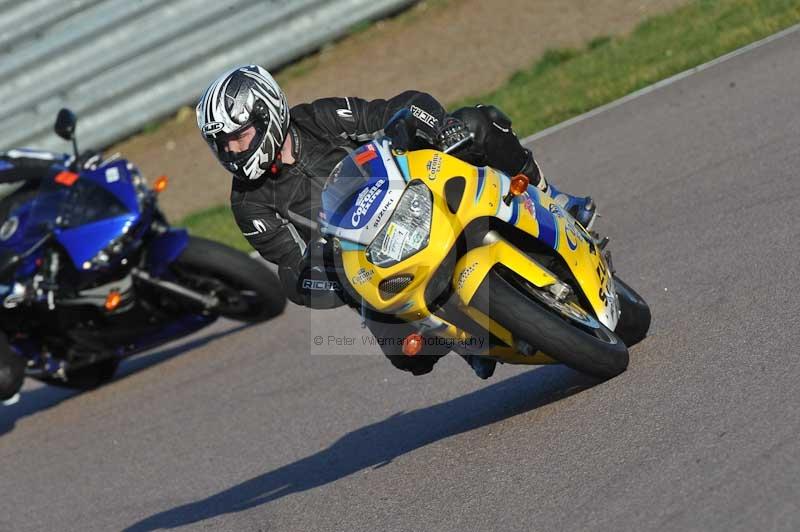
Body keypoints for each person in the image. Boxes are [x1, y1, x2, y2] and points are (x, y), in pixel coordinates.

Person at [196, 65, 596, 378]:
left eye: (239, 135)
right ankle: (464, 340)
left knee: (479, 123)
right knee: (413, 357)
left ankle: (553, 198)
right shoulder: (248, 205)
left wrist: (434, 126)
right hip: (369, 264)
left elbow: (396, 108)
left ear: (268, 113)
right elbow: (291, 271)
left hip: (416, 196)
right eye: (222, 143)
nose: (232, 149)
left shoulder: (318, 118)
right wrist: (323, 276)